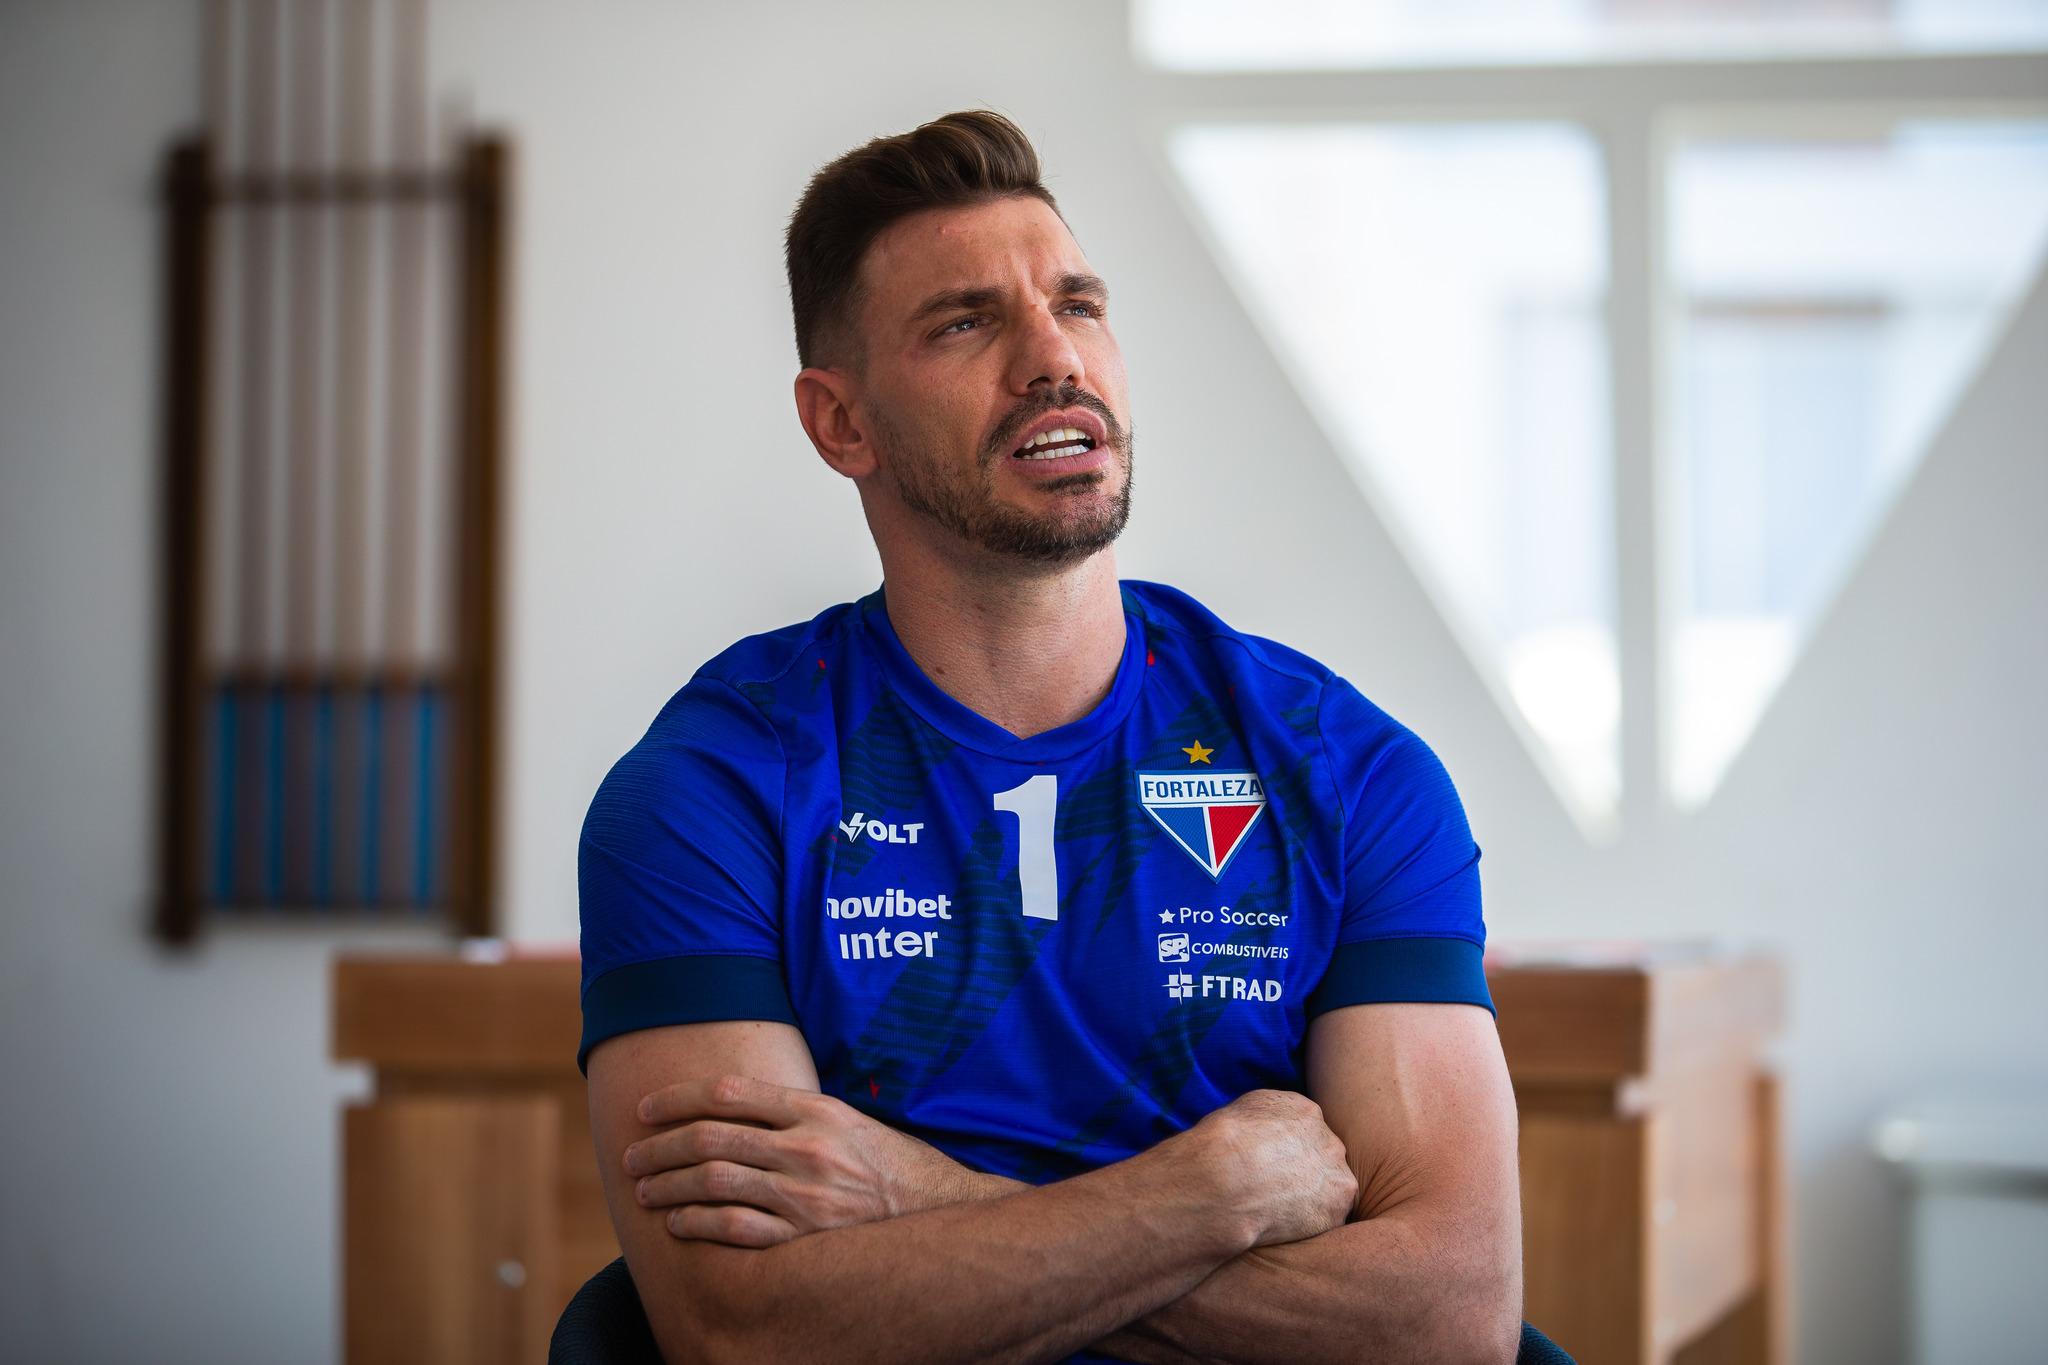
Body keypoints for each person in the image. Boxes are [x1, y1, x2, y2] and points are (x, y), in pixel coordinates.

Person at [577, 110, 1521, 1364]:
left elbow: (1447, 1320)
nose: (1051, 358)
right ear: (841, 424)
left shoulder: (1346, 770)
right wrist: (1207, 1198)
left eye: (1076, 305)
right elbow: (740, 1330)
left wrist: (918, 1194)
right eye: (963, 323)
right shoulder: (709, 792)